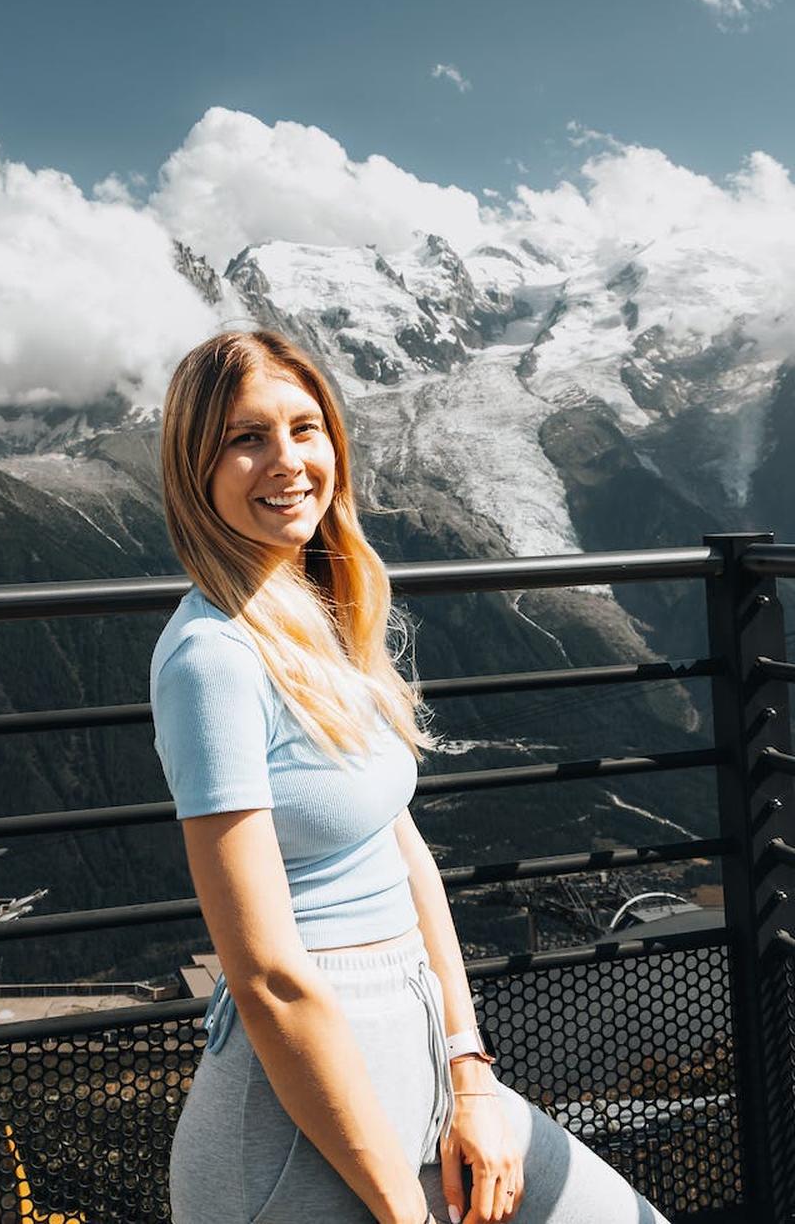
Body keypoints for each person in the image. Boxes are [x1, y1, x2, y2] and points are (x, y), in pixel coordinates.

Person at [150, 328, 670, 1224]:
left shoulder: (323, 616)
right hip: (290, 1133)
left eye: (305, 428)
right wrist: (399, 1205)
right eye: (247, 437)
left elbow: (406, 854)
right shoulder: (211, 659)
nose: (287, 460)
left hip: (421, 1053)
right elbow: (270, 976)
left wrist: (470, 1076)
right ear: (196, 468)